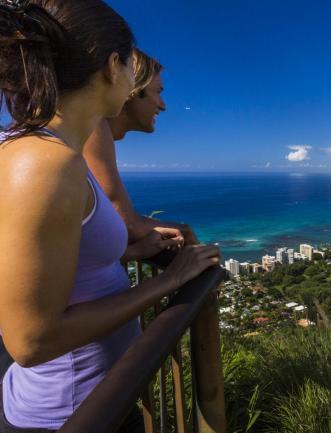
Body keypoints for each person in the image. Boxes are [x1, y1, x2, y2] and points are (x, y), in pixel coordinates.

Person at [0, 1, 220, 431]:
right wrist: (171, 280)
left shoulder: (43, 150)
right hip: (69, 413)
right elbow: (32, 341)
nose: (154, 97)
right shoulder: (42, 163)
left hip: (86, 397)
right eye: (129, 68)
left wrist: (130, 250)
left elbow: (53, 260)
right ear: (111, 66)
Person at [83, 49, 200, 245]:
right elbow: (126, 223)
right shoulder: (94, 126)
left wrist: (133, 252)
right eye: (158, 92)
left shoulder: (94, 129)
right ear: (133, 90)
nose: (163, 106)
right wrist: (184, 231)